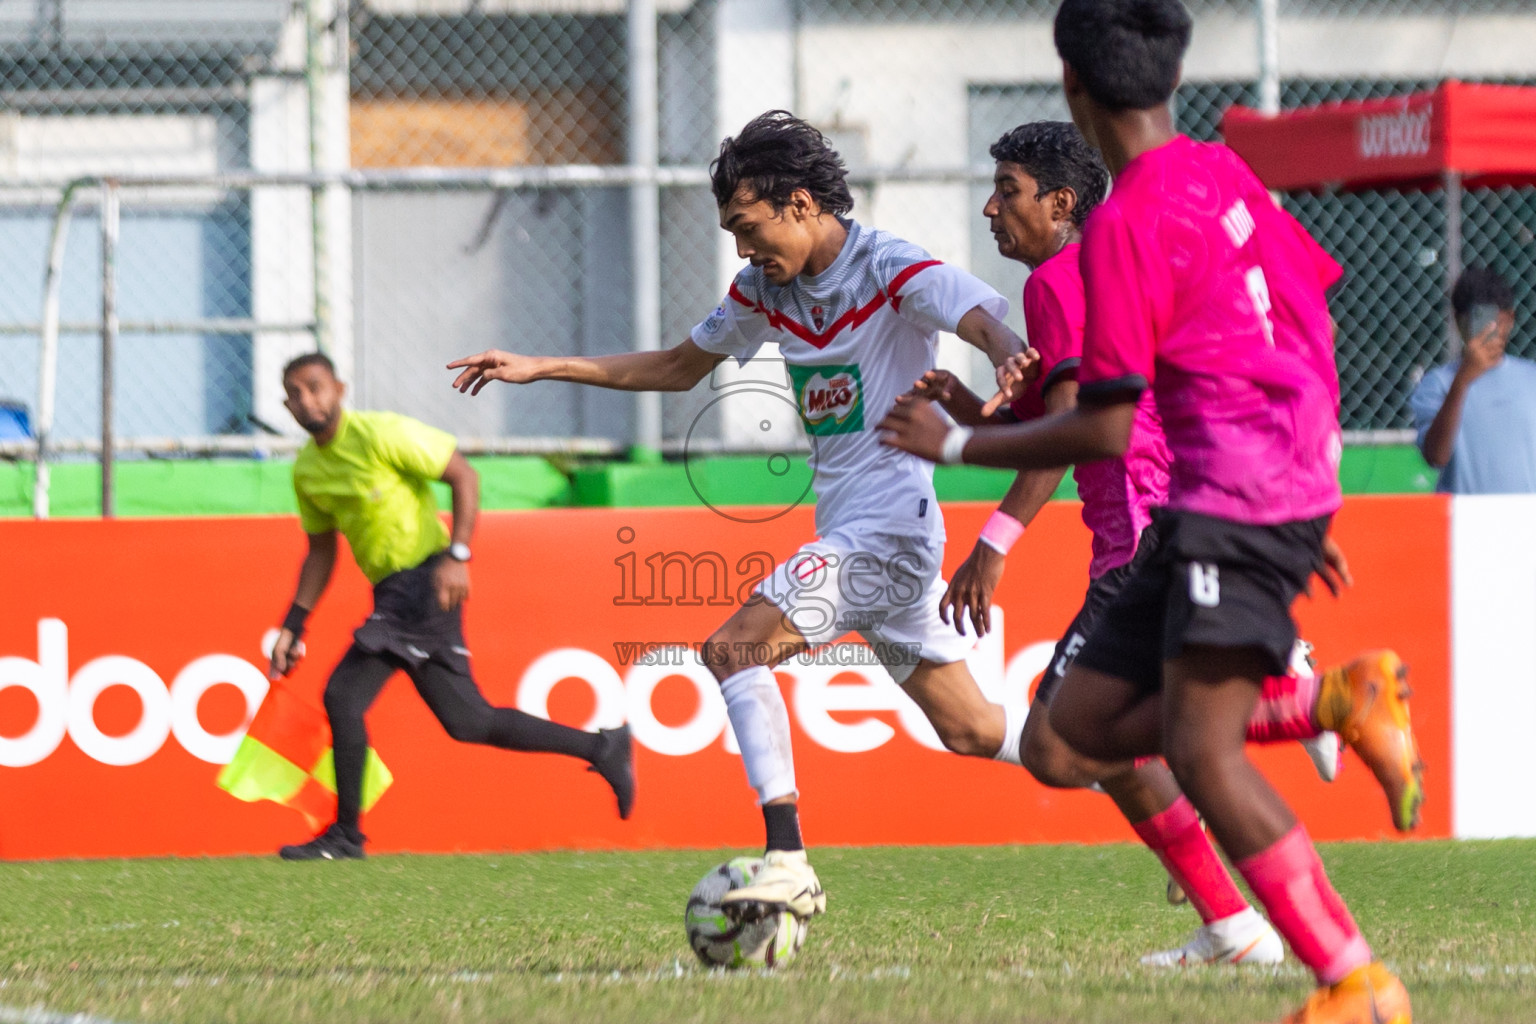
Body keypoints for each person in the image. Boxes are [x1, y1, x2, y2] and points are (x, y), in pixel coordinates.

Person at [878, 2, 1420, 1020]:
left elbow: (1105, 429)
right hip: (1250, 490)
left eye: (1005, 192)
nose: (995, 209)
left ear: (1073, 87)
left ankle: (1353, 979)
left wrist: (955, 448)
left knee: (1201, 750)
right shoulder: (1226, 173)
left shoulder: (1119, 226)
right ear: (1172, 82)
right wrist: (1307, 487)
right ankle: (1325, 710)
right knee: (1065, 739)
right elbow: (1303, 306)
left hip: (1209, 504)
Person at [446, 110, 1037, 924]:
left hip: (890, 531)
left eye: (747, 226)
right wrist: (543, 366)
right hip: (860, 535)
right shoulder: (763, 291)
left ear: (798, 203)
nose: (742, 250)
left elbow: (976, 318)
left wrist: (1006, 350)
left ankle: (788, 859)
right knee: (971, 731)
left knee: (732, 647)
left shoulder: (890, 268)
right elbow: (678, 367)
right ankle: (1135, 766)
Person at [269, 352, 635, 860]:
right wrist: (294, 624)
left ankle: (346, 836)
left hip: (425, 583)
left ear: (340, 388)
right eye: (295, 393)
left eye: (315, 386)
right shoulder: (308, 471)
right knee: (468, 721)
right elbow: (322, 550)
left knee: (343, 695)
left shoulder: (379, 434)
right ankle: (602, 747)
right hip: (395, 595)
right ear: (287, 406)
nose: (306, 399)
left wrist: (458, 554)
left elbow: (463, 476)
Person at [1410, 265, 1536, 493]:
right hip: (1464, 522)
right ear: (1458, 322)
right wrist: (1463, 380)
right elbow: (1435, 457)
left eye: (1494, 320)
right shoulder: (1438, 383)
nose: (1485, 330)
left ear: (1510, 319)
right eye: (1476, 319)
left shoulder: (1531, 378)